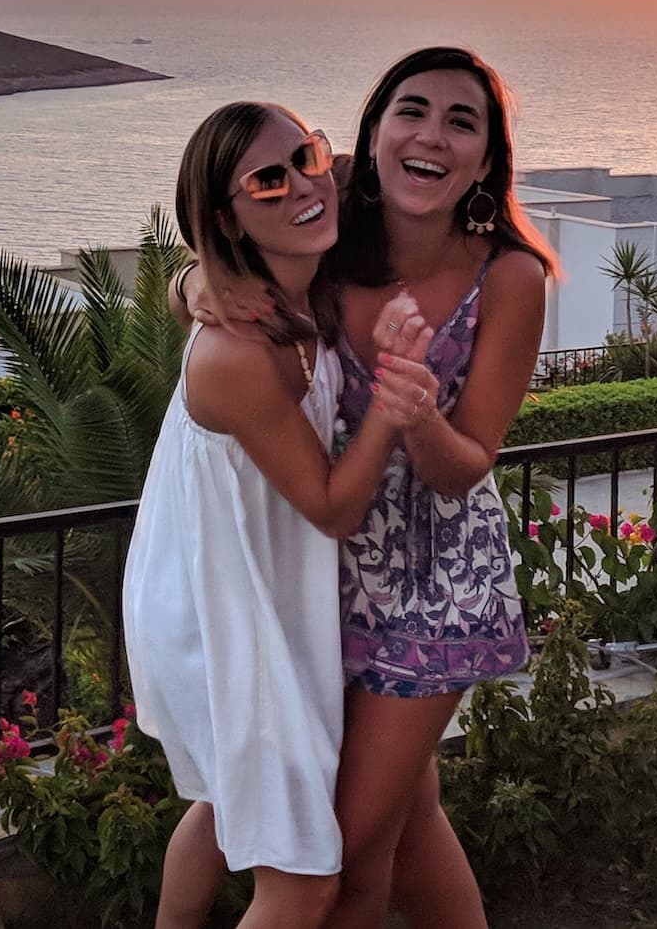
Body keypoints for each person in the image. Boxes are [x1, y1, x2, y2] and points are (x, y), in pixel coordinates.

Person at [180, 48, 554, 929]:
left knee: (344, 857)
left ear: (488, 158)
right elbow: (226, 245)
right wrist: (193, 283)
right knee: (409, 820)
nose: (432, 136)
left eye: (463, 122)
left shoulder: (511, 278)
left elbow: (468, 468)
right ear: (373, 131)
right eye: (411, 111)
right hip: (327, 574)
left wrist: (414, 408)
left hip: (436, 587)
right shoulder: (331, 209)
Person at [124, 101, 441, 929]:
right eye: (268, 179)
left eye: (307, 155)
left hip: (254, 590)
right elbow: (334, 508)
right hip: (221, 615)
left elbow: (186, 279)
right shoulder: (236, 352)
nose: (304, 183)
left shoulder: (298, 280)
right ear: (226, 218)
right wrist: (394, 397)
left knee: (233, 805)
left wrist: (192, 277)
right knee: (302, 880)